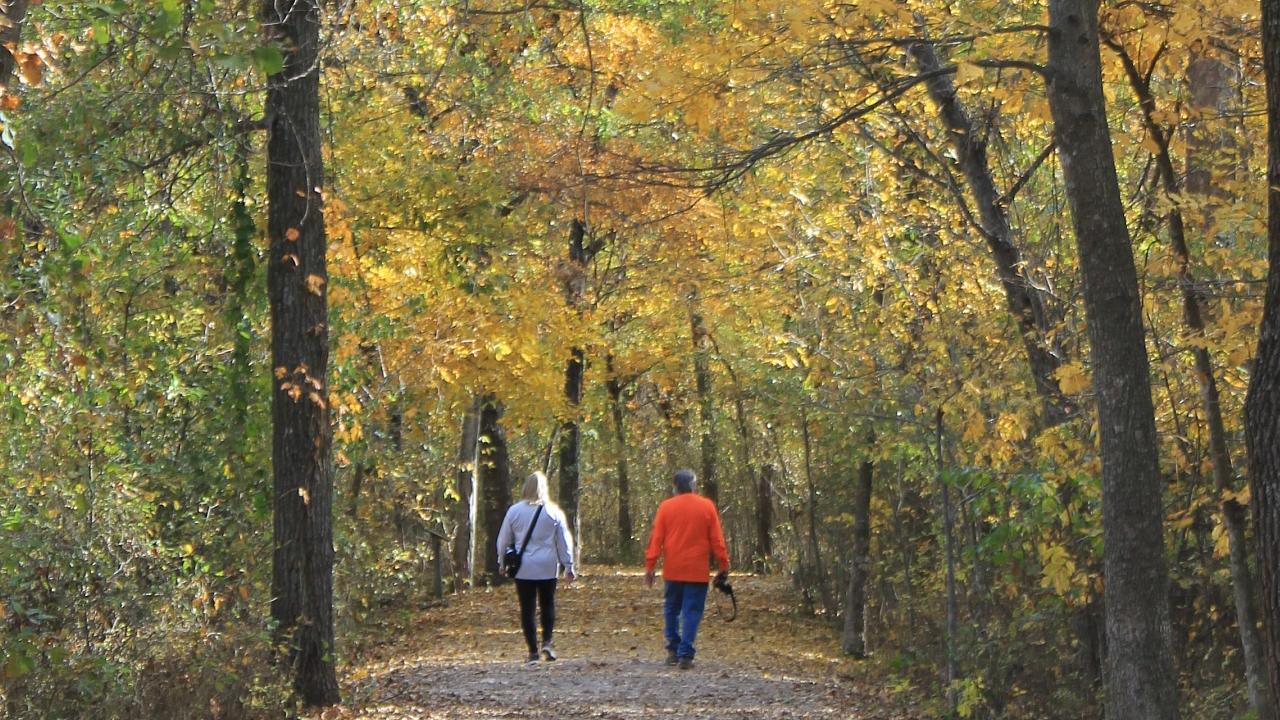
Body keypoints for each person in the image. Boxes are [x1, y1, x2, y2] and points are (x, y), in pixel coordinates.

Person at [643, 468, 730, 670]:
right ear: (693, 485)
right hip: (697, 571)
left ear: (675, 487)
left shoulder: (666, 507)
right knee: (691, 611)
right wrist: (723, 564)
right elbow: (717, 539)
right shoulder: (706, 506)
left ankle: (673, 649)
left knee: (671, 609)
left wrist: (650, 566)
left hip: (673, 570)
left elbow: (656, 539)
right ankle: (685, 654)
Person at [497, 471, 576, 664]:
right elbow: (564, 541)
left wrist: (501, 561)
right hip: (547, 565)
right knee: (547, 603)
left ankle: (532, 651)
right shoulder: (553, 512)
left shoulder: (514, 511)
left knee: (528, 608)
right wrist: (569, 565)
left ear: (526, 487)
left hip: (523, 567)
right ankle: (547, 642)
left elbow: (503, 540)